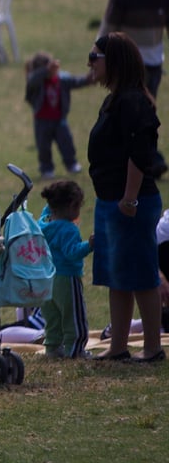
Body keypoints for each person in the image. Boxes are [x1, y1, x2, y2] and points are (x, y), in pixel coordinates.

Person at [86, 33, 164, 363]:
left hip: (130, 203)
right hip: (112, 202)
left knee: (142, 275)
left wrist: (130, 199)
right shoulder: (115, 99)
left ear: (113, 61)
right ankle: (118, 346)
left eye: (95, 56)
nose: (89, 63)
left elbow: (140, 154)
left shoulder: (133, 101)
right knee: (118, 277)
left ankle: (152, 348)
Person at [99, 0, 169, 177]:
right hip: (128, 66)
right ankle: (147, 159)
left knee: (147, 111)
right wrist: (101, 59)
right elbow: (108, 30)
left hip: (153, 64)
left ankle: (147, 159)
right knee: (134, 112)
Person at [37, 180, 94, 359]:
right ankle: (75, 350)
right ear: (71, 206)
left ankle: (53, 348)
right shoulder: (68, 229)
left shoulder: (44, 223)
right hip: (67, 279)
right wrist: (90, 245)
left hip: (47, 279)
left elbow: (48, 210)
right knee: (73, 317)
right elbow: (72, 252)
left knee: (52, 317)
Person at [25, 51, 91, 179]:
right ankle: (46, 169)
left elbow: (75, 81)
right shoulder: (36, 82)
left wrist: (89, 79)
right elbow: (33, 80)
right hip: (41, 120)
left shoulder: (62, 78)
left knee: (66, 143)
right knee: (43, 147)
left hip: (59, 119)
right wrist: (45, 71)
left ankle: (71, 164)